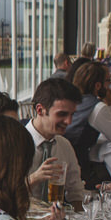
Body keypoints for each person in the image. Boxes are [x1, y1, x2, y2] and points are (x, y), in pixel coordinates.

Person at [25, 77, 86, 205]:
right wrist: (34, 178)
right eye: (62, 114)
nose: (69, 122)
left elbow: (75, 191)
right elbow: (0, 194)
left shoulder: (64, 145)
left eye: (72, 114)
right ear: (40, 110)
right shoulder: (14, 142)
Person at [66, 62, 111, 186]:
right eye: (108, 80)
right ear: (98, 85)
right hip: (81, 169)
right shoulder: (98, 108)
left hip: (67, 159)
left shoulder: (72, 100)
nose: (110, 84)